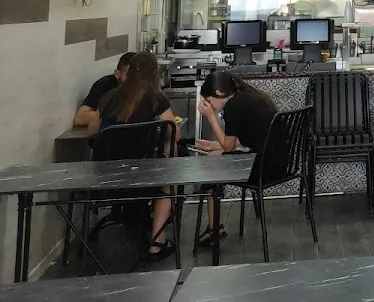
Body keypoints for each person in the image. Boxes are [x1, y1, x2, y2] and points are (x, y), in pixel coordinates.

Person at [90, 52, 180, 258]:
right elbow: (175, 133)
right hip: (142, 179)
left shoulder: (109, 97)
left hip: (103, 180)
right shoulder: (157, 99)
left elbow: (92, 131)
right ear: (154, 74)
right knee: (168, 171)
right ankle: (157, 241)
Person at [194, 71, 278, 246]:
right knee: (215, 155)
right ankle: (214, 227)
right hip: (279, 163)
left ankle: (214, 228)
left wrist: (210, 117)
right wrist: (215, 145)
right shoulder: (249, 97)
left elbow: (228, 146)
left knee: (211, 165)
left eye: (208, 101)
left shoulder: (233, 106)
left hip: (263, 169)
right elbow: (249, 138)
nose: (209, 106)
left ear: (218, 93)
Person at [73, 52, 134, 128]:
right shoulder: (104, 85)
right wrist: (113, 116)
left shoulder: (143, 86)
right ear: (117, 74)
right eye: (129, 75)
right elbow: (80, 118)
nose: (134, 80)